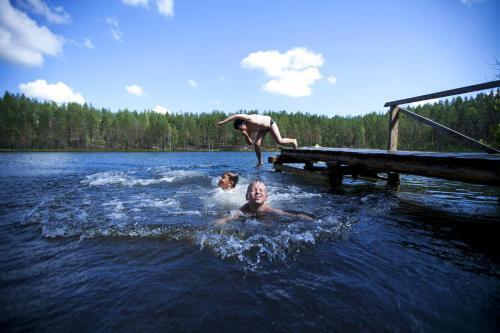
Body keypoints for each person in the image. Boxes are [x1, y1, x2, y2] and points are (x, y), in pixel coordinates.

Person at [216, 114, 298, 167]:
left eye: (240, 128)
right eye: (239, 130)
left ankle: (293, 141)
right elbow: (250, 143)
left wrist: (223, 122)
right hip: (262, 129)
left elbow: (236, 116)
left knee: (280, 141)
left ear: (243, 124)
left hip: (270, 124)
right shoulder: (248, 130)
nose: (241, 131)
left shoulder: (249, 118)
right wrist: (246, 136)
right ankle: (260, 162)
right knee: (256, 144)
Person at [215, 181, 314, 225]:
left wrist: (306, 218)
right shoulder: (241, 211)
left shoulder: (271, 210)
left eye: (261, 191)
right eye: (254, 190)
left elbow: (292, 214)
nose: (258, 192)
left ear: (266, 197)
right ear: (247, 197)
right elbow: (226, 219)